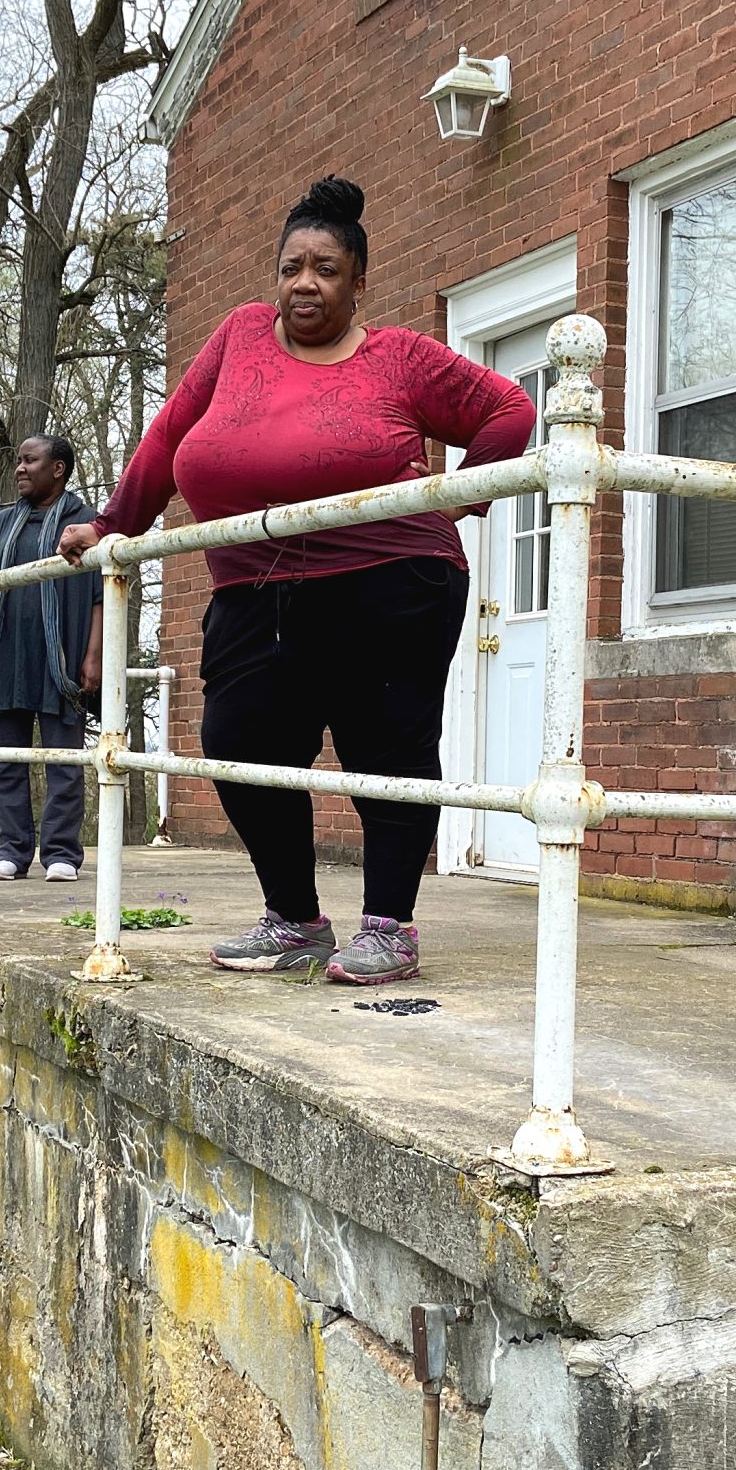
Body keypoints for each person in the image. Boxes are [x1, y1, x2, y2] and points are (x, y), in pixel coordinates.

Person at [57, 176, 535, 983]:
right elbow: (174, 430)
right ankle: (295, 920)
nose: (303, 283)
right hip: (252, 585)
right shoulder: (240, 336)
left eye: (324, 269)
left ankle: (389, 927)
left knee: (385, 752)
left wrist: (458, 498)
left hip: (392, 582)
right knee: (238, 743)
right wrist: (114, 525)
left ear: (357, 281)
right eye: (290, 267)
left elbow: (510, 409)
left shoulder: (401, 358)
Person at [0, 435, 105, 883]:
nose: (20, 468)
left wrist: (93, 656)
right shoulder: (3, 524)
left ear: (57, 469)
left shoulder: (87, 522)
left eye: (30, 461)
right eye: (19, 461)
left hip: (62, 658)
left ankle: (61, 854)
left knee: (65, 759)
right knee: (3, 757)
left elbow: (102, 595)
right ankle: (12, 851)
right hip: (2, 656)